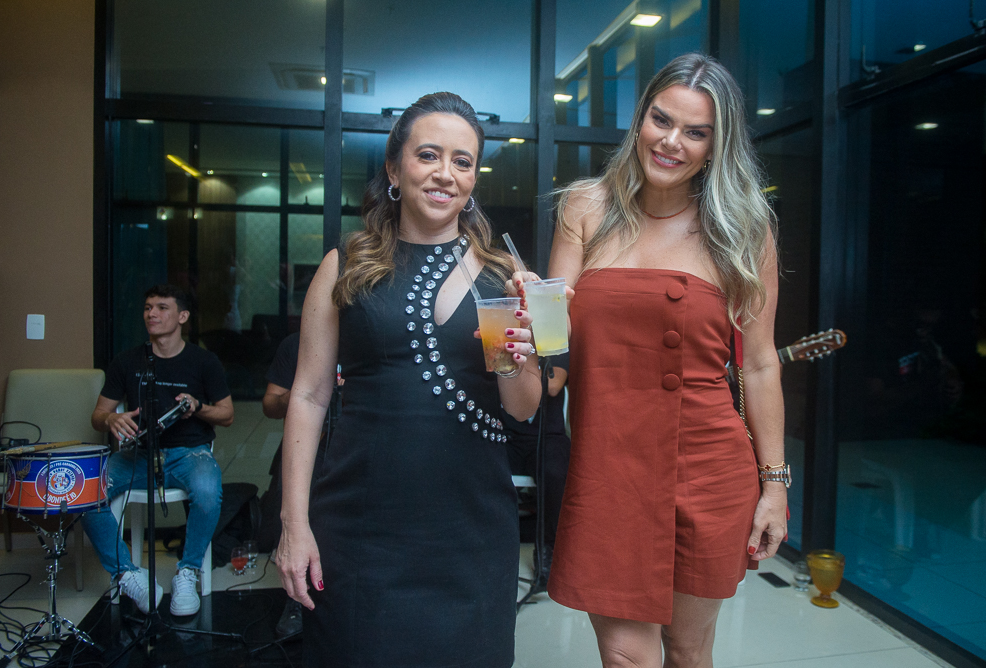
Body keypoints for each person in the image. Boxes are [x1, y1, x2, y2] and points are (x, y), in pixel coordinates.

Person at [274, 92, 543, 667]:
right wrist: (294, 524)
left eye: (463, 161)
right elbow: (309, 395)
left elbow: (523, 409)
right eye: (428, 155)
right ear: (395, 170)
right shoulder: (344, 266)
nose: (446, 173)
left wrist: (520, 356)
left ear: (474, 178)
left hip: (470, 531)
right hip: (361, 529)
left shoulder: (505, 276)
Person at [543, 53, 788, 667]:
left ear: (715, 146)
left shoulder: (742, 229)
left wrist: (775, 486)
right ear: (640, 118)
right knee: (626, 656)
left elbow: (759, 364)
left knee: (687, 650)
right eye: (661, 119)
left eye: (695, 132)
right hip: (609, 467)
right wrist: (523, 334)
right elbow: (552, 348)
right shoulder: (584, 208)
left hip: (708, 467)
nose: (672, 142)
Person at [83, 285, 234, 618]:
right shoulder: (127, 361)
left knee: (208, 493)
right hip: (138, 454)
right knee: (86, 492)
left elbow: (227, 415)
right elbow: (97, 416)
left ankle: (187, 572)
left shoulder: (203, 361)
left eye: (162, 307)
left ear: (182, 316)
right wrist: (111, 418)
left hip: (189, 452)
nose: (152, 313)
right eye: (148, 307)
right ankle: (128, 575)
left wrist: (198, 407)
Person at [259, 331, 342, 637]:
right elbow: (270, 405)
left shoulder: (372, 331)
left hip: (356, 446)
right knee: (299, 515)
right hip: (311, 447)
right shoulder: (296, 343)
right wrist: (303, 391)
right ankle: (296, 599)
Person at [499, 352, 570, 589]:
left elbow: (554, 385)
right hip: (507, 434)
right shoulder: (504, 341)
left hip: (547, 436)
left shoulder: (556, 345)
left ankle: (547, 549)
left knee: (555, 472)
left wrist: (518, 367)